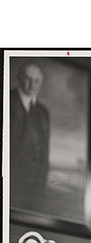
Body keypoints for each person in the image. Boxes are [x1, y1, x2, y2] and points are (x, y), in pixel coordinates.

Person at [10, 63, 50, 210]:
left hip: (34, 184)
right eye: (28, 78)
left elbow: (45, 151)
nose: (32, 84)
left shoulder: (43, 112)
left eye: (37, 80)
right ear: (19, 78)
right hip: (10, 180)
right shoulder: (7, 100)